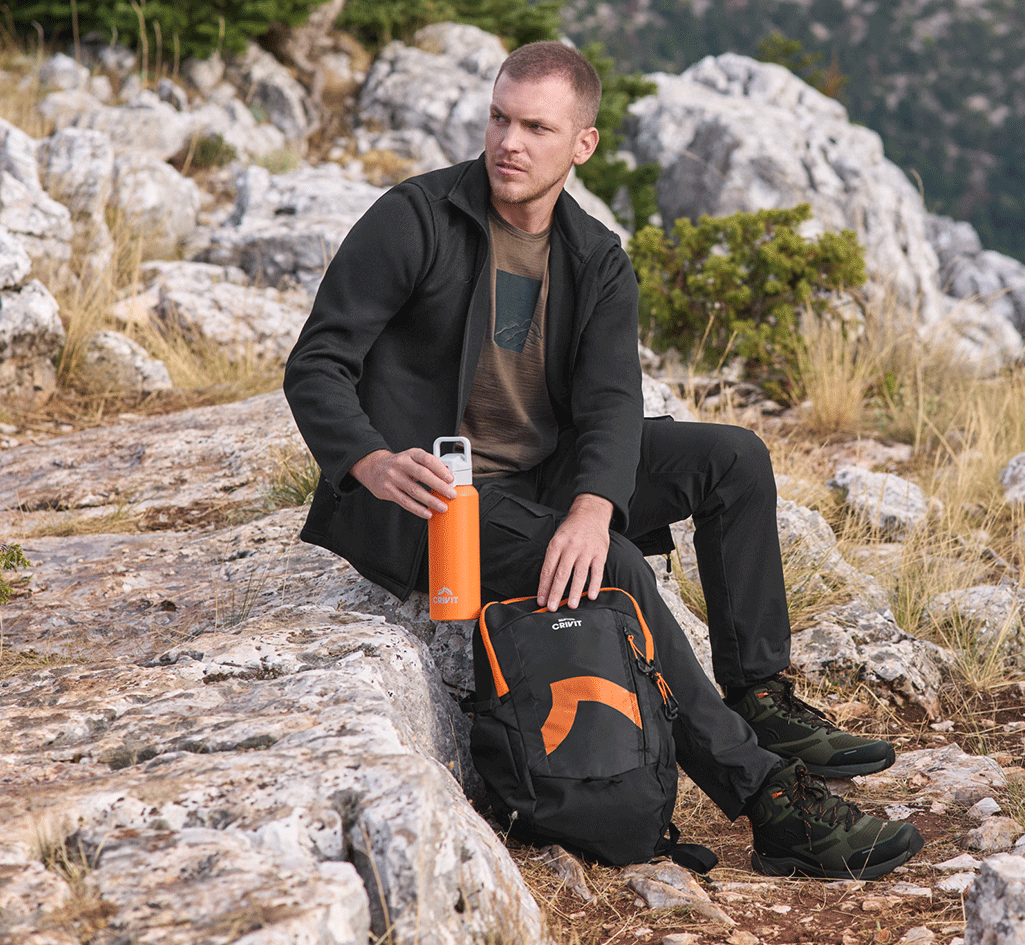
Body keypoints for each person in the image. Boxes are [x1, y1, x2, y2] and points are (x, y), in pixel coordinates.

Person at [284, 40, 923, 880]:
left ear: (581, 144)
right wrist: (366, 459)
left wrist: (591, 504)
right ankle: (770, 803)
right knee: (611, 566)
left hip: (543, 475)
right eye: (499, 119)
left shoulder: (594, 255)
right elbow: (316, 363)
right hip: (441, 501)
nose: (509, 143)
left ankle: (762, 701)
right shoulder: (415, 218)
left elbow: (615, 404)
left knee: (732, 458)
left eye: (536, 128)